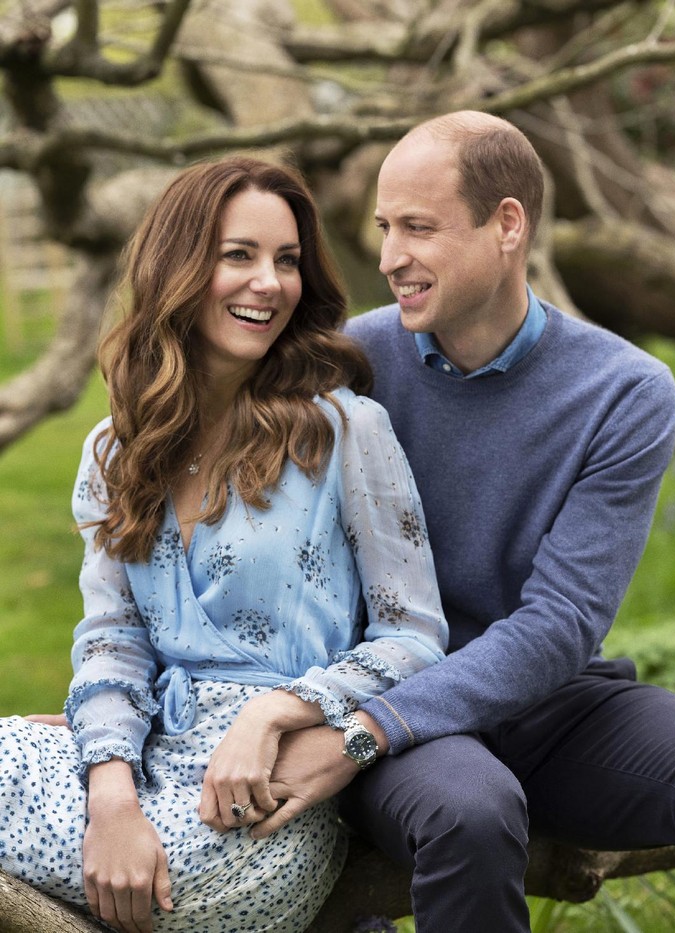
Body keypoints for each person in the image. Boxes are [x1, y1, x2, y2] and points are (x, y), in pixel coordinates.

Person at [236, 111, 675, 932]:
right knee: (471, 814)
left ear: (507, 225)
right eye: (384, 228)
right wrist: (353, 720)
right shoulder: (352, 366)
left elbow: (561, 624)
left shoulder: (625, 392)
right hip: (392, 697)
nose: (389, 258)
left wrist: (363, 734)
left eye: (418, 227)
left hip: (544, 705)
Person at [3, 154, 448, 933]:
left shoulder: (346, 432)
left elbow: (414, 634)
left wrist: (278, 710)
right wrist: (109, 794)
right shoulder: (116, 449)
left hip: (268, 795)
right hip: (144, 753)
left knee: (175, 885)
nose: (269, 283)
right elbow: (112, 640)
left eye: (286, 261)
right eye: (237, 255)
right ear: (177, 267)